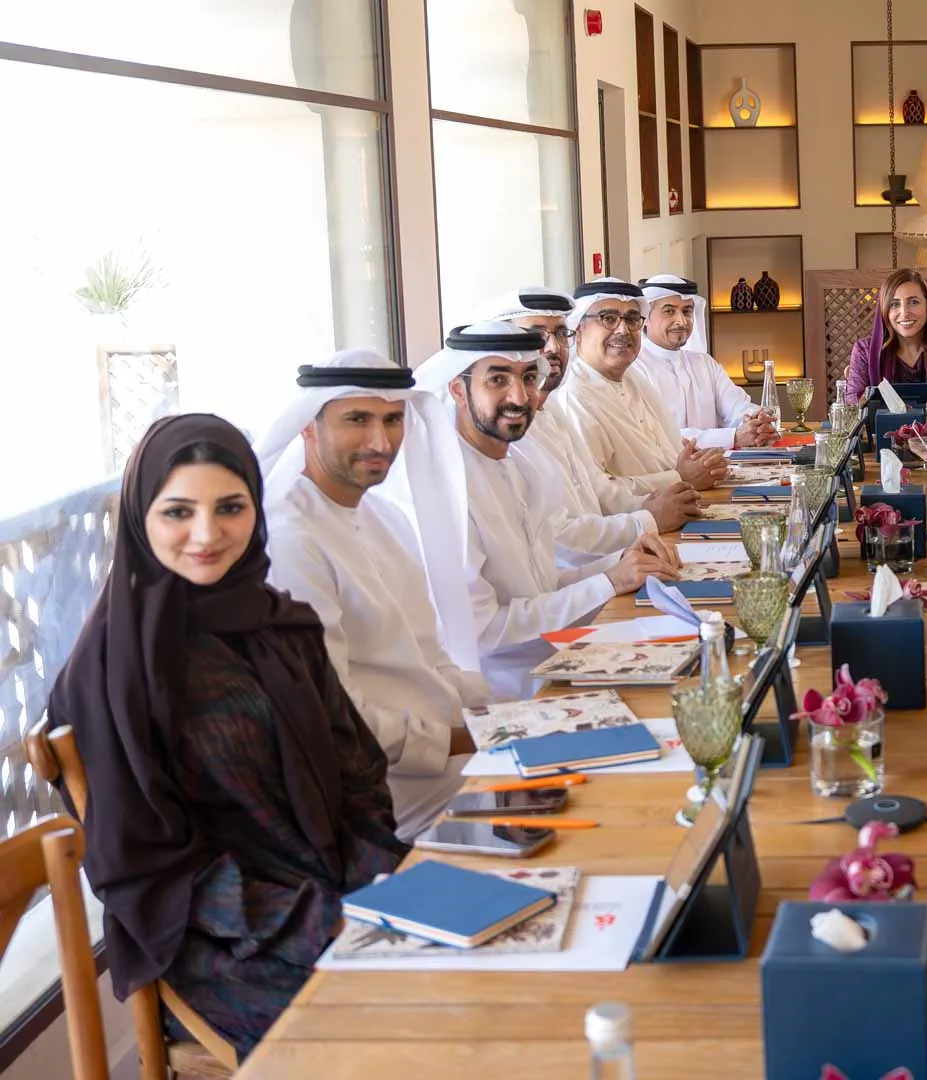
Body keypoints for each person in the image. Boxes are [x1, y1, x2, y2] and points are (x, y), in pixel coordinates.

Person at [48, 414, 408, 1058]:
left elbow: (359, 779)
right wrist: (320, 920)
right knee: (417, 1024)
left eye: (230, 508)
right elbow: (147, 866)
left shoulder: (283, 627)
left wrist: (377, 886)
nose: (207, 535)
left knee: (501, 975)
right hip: (227, 948)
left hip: (342, 900)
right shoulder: (115, 672)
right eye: (177, 512)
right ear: (140, 518)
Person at [255, 350, 490, 838]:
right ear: (308, 427)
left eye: (393, 420)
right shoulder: (291, 539)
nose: (380, 441)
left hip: (455, 760)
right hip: (387, 800)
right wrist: (464, 739)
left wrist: (509, 715)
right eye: (357, 420)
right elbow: (336, 717)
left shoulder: (386, 517)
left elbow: (429, 656)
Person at [415, 322, 681, 699]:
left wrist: (621, 563)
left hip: (561, 661)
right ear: (458, 390)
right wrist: (609, 581)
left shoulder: (516, 466)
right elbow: (485, 632)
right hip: (510, 695)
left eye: (528, 378)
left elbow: (543, 586)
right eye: (497, 380)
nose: (518, 396)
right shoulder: (448, 489)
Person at [489, 287, 701, 545]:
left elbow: (595, 491)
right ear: (580, 331)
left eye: (560, 334)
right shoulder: (515, 428)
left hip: (613, 553)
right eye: (536, 336)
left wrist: (652, 507)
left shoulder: (552, 411)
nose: (553, 347)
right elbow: (559, 541)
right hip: (603, 558)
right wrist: (651, 516)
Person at [544, 277, 728, 497]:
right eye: (608, 319)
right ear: (579, 329)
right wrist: (680, 478)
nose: (623, 330)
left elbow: (669, 455)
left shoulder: (634, 380)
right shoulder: (574, 396)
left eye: (632, 319)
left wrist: (698, 462)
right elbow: (595, 492)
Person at [633, 274, 777, 449]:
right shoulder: (634, 369)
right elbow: (659, 434)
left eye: (687, 311)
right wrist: (733, 437)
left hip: (720, 462)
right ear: (645, 318)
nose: (681, 321)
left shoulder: (704, 363)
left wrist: (756, 421)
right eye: (669, 311)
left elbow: (736, 406)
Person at [842, 267, 927, 406]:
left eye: (913, 302)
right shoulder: (864, 351)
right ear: (884, 310)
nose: (904, 312)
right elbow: (854, 409)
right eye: (894, 304)